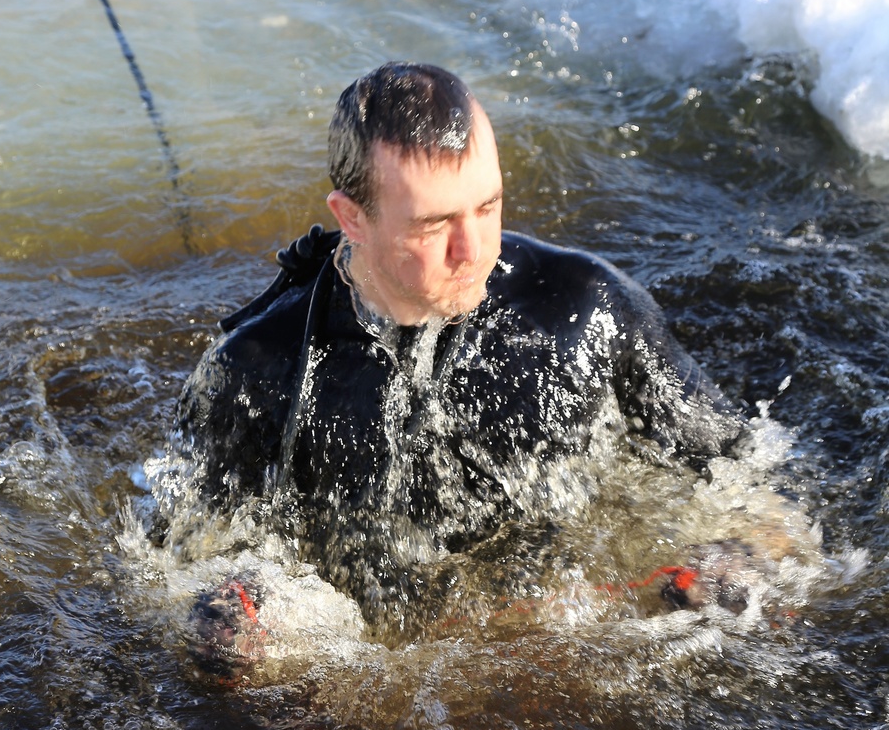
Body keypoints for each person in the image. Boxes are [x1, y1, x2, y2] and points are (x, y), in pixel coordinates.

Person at [168, 62, 760, 647]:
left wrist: (735, 559)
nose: (472, 249)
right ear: (352, 217)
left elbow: (749, 475)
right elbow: (183, 558)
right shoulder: (256, 370)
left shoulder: (588, 307)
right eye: (433, 225)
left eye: (487, 205)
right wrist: (233, 619)